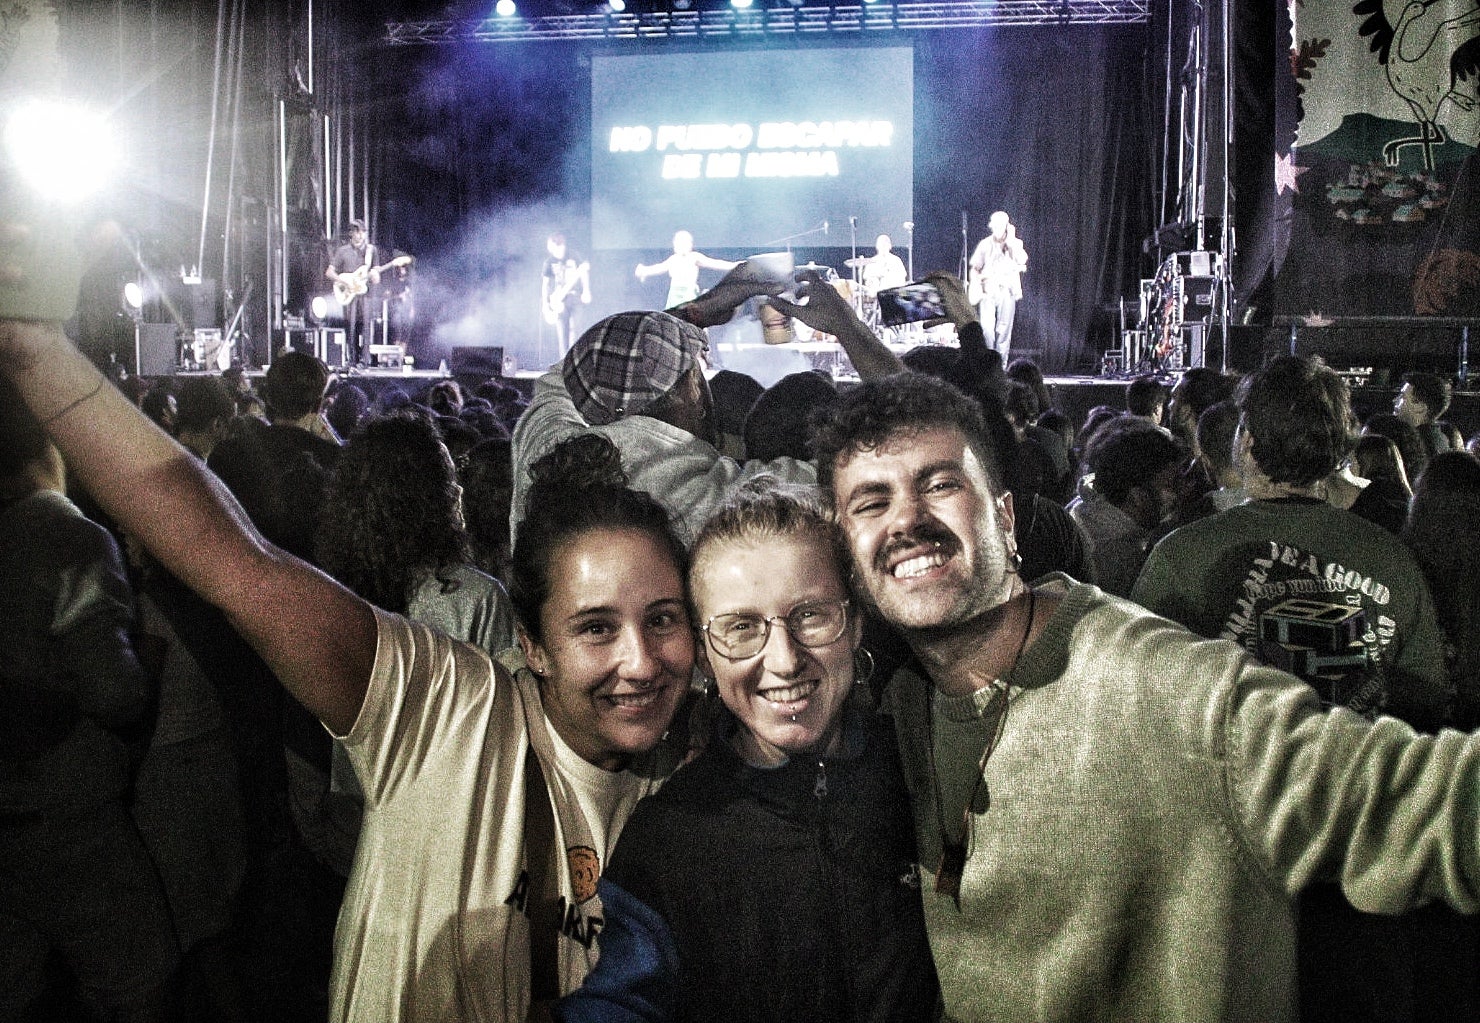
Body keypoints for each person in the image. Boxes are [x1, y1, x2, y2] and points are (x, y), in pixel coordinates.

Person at [0, 309, 701, 1021]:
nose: (639, 661)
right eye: (595, 627)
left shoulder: (691, 773)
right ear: (532, 644)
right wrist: (34, 348)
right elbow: (237, 563)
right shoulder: (448, 713)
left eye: (664, 618)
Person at [806, 367, 1480, 1023]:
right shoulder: (896, 706)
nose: (909, 519)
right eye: (872, 501)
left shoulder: (1167, 687)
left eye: (941, 484)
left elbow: (1437, 802)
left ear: (1007, 518)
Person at [556, 479, 940, 1023]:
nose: (783, 660)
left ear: (854, 622)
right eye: (741, 627)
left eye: (810, 615)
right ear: (705, 651)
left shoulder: (920, 769)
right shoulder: (670, 839)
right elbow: (617, 998)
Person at [1132, 355, 1448, 729]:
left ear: (1247, 443)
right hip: (1348, 781)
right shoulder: (1394, 561)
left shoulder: (1179, 556)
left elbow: (1136, 692)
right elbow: (1425, 710)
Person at [0, 377, 178, 1022]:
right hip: (64, 813)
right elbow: (115, 693)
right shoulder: (67, 536)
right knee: (137, 978)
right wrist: (150, 662)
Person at [511, 263, 902, 548]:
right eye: (698, 373)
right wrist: (848, 326)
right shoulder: (715, 500)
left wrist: (692, 314)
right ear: (690, 394)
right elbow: (909, 445)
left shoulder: (548, 448)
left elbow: (564, 377)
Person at [966, 210, 1027, 360]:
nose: (996, 229)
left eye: (999, 226)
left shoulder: (1015, 243)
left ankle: (1001, 366)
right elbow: (975, 268)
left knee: (1004, 330)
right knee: (987, 329)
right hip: (988, 291)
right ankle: (987, 364)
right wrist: (976, 283)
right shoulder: (985, 244)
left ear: (1006, 226)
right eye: (994, 226)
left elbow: (1021, 260)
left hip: (1007, 290)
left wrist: (1011, 241)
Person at [634, 230, 737, 309]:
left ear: (690, 244)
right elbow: (658, 268)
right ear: (675, 244)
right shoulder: (673, 259)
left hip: (688, 294)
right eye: (679, 242)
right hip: (674, 295)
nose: (682, 245)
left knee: (691, 317)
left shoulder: (694, 257)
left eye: (685, 242)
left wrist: (734, 265)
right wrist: (644, 271)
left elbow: (715, 263)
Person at [325, 219, 379, 368]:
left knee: (366, 326)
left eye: (362, 231)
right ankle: (352, 360)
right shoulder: (343, 251)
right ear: (351, 233)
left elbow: (376, 274)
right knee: (351, 326)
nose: (360, 235)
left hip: (365, 295)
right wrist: (344, 282)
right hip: (349, 295)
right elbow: (329, 272)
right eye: (356, 231)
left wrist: (375, 276)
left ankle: (365, 360)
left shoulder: (371, 251)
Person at [543, 232, 591, 357]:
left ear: (557, 244)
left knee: (576, 330)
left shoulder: (573, 255)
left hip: (575, 297)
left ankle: (574, 363)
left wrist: (586, 290)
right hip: (559, 301)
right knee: (562, 333)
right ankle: (564, 364)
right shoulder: (549, 262)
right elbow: (546, 284)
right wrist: (546, 305)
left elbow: (583, 272)